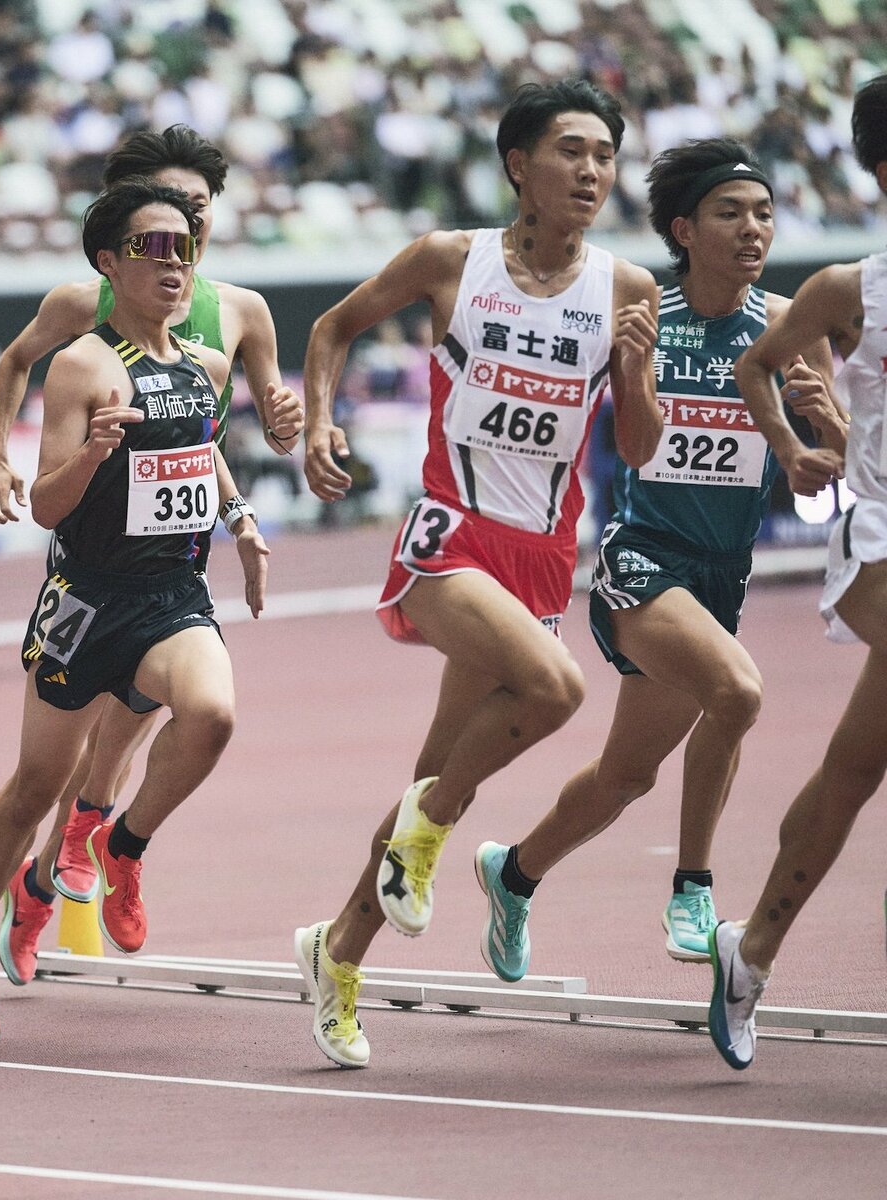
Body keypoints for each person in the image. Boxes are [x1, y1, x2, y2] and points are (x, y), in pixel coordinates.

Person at [293, 80, 661, 1069]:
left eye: (603, 156)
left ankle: (336, 952)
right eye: (569, 152)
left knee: (431, 769)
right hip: (447, 534)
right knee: (556, 689)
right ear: (517, 167)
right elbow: (331, 329)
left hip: (542, 557)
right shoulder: (449, 261)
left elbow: (637, 442)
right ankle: (432, 830)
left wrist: (631, 375)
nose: (590, 171)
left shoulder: (627, 291)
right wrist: (320, 421)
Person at [470, 140, 847, 985]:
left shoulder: (794, 333)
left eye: (763, 212)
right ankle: (694, 885)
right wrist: (632, 372)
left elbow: (834, 481)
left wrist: (826, 432)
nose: (754, 229)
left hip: (721, 575)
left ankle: (514, 872)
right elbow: (616, 443)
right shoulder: (640, 317)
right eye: (730, 213)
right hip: (640, 559)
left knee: (626, 776)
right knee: (738, 691)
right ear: (684, 228)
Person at [0, 179, 275, 1042]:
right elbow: (48, 507)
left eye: (183, 247)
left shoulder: (204, 368)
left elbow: (202, 459)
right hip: (87, 603)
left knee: (212, 714)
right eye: (150, 248)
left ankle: (121, 847)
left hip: (171, 595)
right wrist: (93, 452)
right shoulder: (84, 365)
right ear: (109, 263)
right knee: (30, 794)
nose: (172, 263)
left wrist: (239, 519)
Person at [707, 73, 886, 1071]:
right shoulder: (845, 291)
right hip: (878, 541)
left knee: (855, 771)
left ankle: (752, 949)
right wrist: (794, 442)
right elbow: (752, 367)